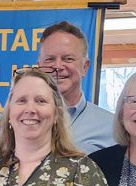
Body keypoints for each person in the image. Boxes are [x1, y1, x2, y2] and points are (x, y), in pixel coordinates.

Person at [38, 21, 114, 154]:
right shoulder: (22, 120)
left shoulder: (111, 127)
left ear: (85, 67)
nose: (57, 66)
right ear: (39, 67)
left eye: (68, 59)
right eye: (49, 59)